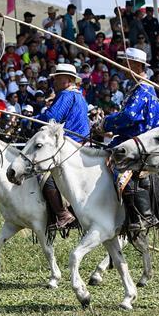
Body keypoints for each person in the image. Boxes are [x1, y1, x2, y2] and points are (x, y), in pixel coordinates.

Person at [102, 47, 159, 232]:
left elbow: (128, 116)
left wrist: (106, 123)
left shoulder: (143, 89)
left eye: (125, 64)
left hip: (139, 141)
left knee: (117, 165)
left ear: (136, 65)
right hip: (133, 137)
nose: (121, 67)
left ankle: (145, 215)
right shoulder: (140, 87)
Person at [36, 63, 90, 229]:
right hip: (80, 143)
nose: (54, 82)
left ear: (68, 80)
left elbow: (52, 118)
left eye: (58, 78)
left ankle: (62, 213)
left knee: (42, 172)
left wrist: (35, 115)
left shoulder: (66, 95)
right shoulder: (79, 96)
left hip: (69, 144)